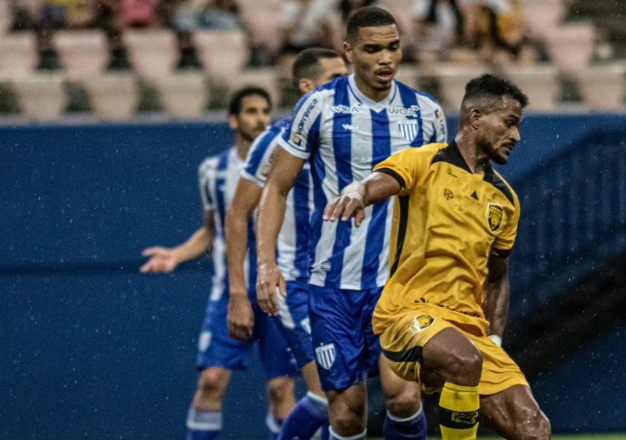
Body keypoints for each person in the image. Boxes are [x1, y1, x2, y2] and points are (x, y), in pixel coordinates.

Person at [255, 6, 448, 440]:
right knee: (346, 414)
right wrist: (267, 264)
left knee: (404, 396)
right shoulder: (318, 107)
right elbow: (277, 189)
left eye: (393, 47)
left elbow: (437, 199)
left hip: (399, 285)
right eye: (373, 49)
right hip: (332, 285)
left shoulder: (426, 113)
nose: (386, 59)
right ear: (349, 50)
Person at [323, 74, 552, 440]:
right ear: (476, 117)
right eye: (509, 124)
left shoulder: (505, 200)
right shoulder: (425, 162)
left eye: (519, 127)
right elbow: (376, 182)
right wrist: (357, 191)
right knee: (462, 359)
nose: (517, 137)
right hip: (407, 315)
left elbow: (496, 275)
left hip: (469, 333)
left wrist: (494, 340)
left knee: (534, 429)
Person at [140, 87, 299, 440]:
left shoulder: (288, 165)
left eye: (265, 111)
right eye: (251, 111)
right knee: (212, 380)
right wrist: (176, 255)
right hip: (230, 293)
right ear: (233, 119)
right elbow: (211, 231)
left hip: (280, 292)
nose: (260, 118)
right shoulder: (212, 171)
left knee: (280, 389)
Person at [225, 48, 349, 440]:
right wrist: (238, 293)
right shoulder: (275, 140)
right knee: (332, 397)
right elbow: (237, 214)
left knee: (345, 399)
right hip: (296, 285)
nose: (345, 86)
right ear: (307, 87)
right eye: (334, 79)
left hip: (349, 284)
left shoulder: (354, 134)